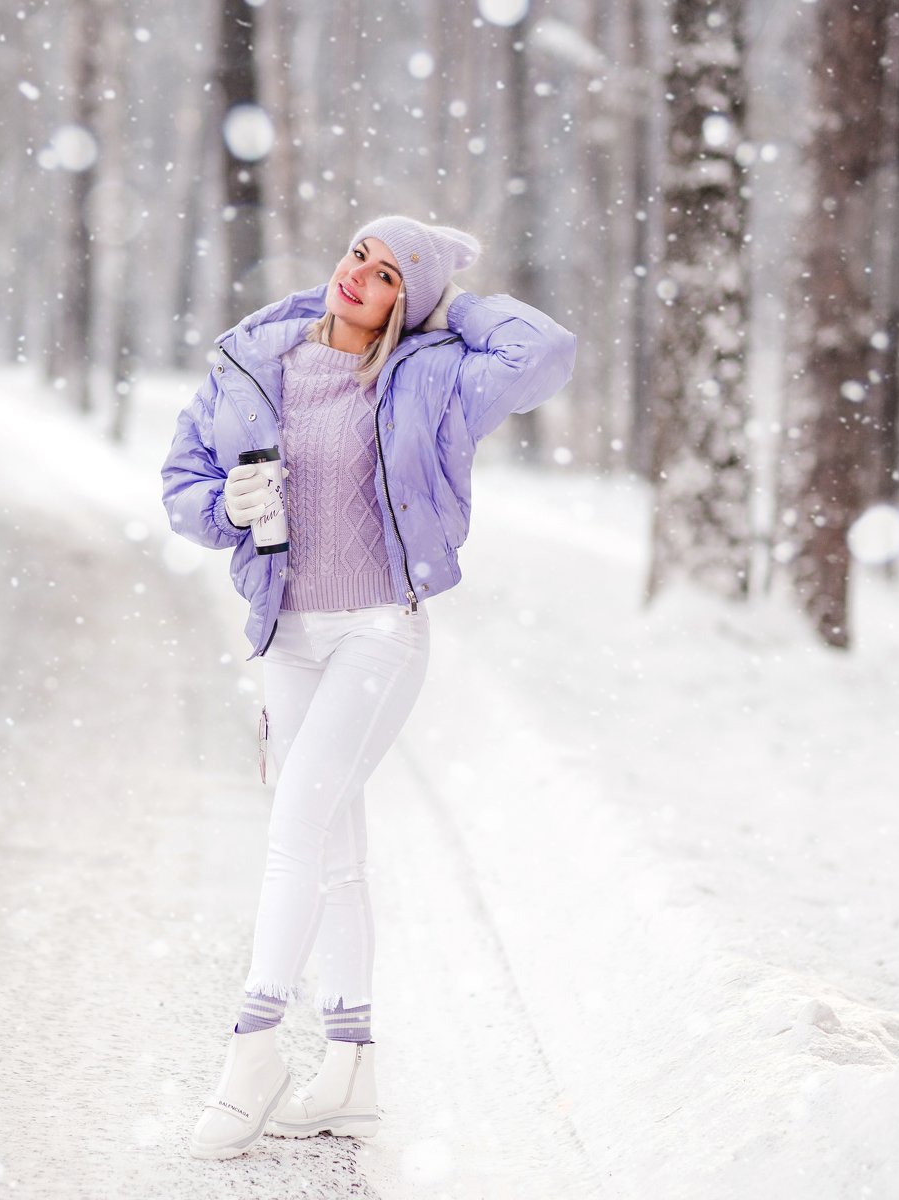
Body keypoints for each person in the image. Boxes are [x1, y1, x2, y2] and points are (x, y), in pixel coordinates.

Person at [160, 214, 576, 1160]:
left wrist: (449, 304)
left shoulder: (434, 378)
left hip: (380, 631)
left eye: (390, 274)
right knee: (334, 849)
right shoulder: (255, 360)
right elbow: (183, 480)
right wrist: (224, 505)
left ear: (408, 301)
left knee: (295, 827)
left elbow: (545, 351)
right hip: (287, 633)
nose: (359, 275)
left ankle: (252, 1050)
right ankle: (351, 1070)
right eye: (359, 254)